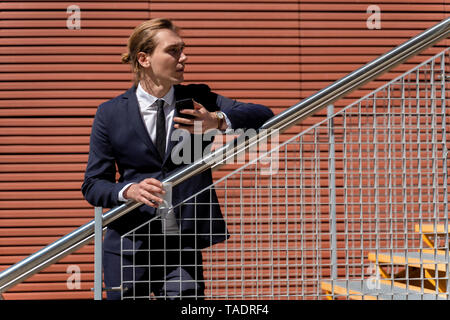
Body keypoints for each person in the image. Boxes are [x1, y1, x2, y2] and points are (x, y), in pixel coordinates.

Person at [81, 18, 274, 300]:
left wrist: (217, 121)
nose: (184, 57)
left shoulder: (198, 99)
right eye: (173, 51)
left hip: (182, 244)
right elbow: (94, 184)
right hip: (128, 244)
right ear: (144, 59)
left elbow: (263, 114)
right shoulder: (109, 114)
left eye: (183, 50)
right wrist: (128, 190)